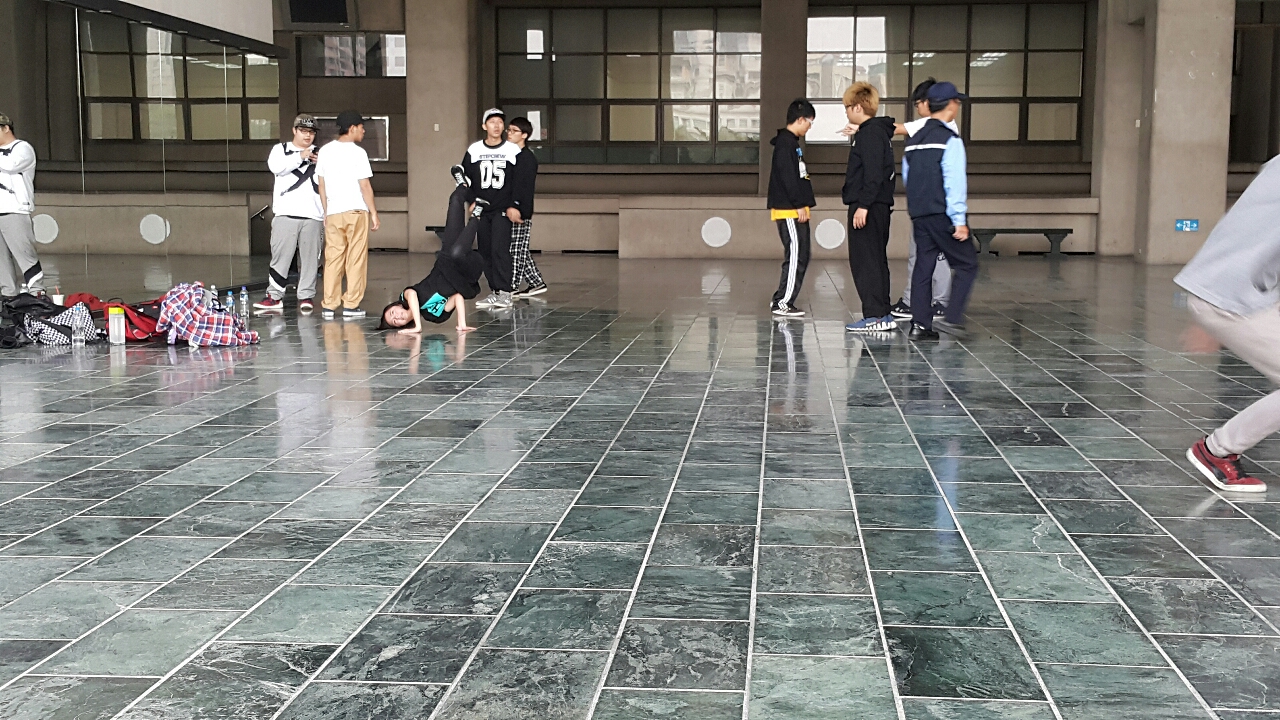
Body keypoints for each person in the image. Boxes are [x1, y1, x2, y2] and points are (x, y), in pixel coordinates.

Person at [1175, 156, 1280, 493]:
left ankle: (1217, 450)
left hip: (1236, 293)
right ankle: (1216, 451)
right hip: (1233, 297)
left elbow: (1242, 220)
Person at [902, 81, 976, 341]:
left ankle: (920, 325)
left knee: (923, 266)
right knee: (967, 264)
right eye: (957, 102)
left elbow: (908, 178)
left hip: (919, 214)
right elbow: (954, 182)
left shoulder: (913, 141)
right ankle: (952, 318)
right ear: (950, 105)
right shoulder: (950, 140)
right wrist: (959, 220)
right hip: (943, 214)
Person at [378, 173, 485, 335]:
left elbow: (413, 296)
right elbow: (457, 298)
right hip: (467, 275)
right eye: (395, 321)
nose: (397, 316)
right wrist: (462, 324)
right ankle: (477, 215)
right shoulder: (432, 316)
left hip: (446, 262)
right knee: (457, 253)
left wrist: (418, 326)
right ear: (402, 326)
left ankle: (463, 187)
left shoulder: (405, 296)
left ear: (397, 305)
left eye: (393, 312)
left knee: (454, 203)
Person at [841, 83, 898, 334]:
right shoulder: (876, 132)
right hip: (878, 205)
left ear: (857, 107)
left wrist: (863, 205)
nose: (846, 112)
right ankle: (882, 313)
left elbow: (873, 174)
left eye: (847, 107)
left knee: (865, 261)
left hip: (868, 205)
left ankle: (875, 315)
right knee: (875, 259)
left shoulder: (870, 135)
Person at [254, 114, 323, 314]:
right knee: (280, 256)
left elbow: (331, 180)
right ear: (294, 131)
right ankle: (274, 296)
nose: (308, 136)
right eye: (304, 131)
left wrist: (321, 164)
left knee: (311, 259)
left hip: (313, 215)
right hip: (285, 214)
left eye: (311, 132)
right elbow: (276, 167)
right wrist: (301, 156)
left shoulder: (321, 154)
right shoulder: (280, 150)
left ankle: (306, 296)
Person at [316, 110, 379, 320]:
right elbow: (365, 186)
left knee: (333, 258)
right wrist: (374, 212)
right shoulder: (358, 153)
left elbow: (321, 185)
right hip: (355, 211)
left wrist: (326, 211)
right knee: (356, 258)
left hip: (334, 213)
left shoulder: (325, 151)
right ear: (352, 128)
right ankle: (351, 305)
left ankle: (329, 306)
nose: (363, 131)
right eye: (361, 127)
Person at [462, 108, 521, 310]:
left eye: (500, 122)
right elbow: (465, 179)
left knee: (499, 249)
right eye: (492, 122)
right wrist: (470, 200)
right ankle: (495, 291)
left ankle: (505, 292)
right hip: (482, 209)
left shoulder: (512, 150)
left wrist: (515, 205)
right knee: (484, 250)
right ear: (484, 126)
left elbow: (519, 181)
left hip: (502, 209)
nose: (496, 126)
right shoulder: (475, 150)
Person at [767, 99, 817, 318]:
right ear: (800, 119)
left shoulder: (791, 143)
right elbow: (789, 178)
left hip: (794, 208)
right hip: (789, 210)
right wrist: (799, 204)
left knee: (801, 254)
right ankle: (783, 302)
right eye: (809, 122)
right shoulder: (785, 145)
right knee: (796, 255)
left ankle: (782, 297)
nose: (809, 127)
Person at [0, 112, 44, 298]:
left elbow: (11, 165)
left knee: (25, 255)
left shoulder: (22, 148)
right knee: (1, 261)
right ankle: (8, 296)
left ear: (6, 128)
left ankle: (37, 294)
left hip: (15, 211)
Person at [505, 117, 547, 299]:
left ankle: (511, 287)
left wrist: (515, 206)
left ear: (524, 135)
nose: (509, 134)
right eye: (509, 130)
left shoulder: (526, 158)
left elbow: (523, 187)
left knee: (515, 250)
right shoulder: (511, 155)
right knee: (519, 247)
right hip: (510, 208)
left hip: (520, 210)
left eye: (514, 131)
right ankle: (536, 282)